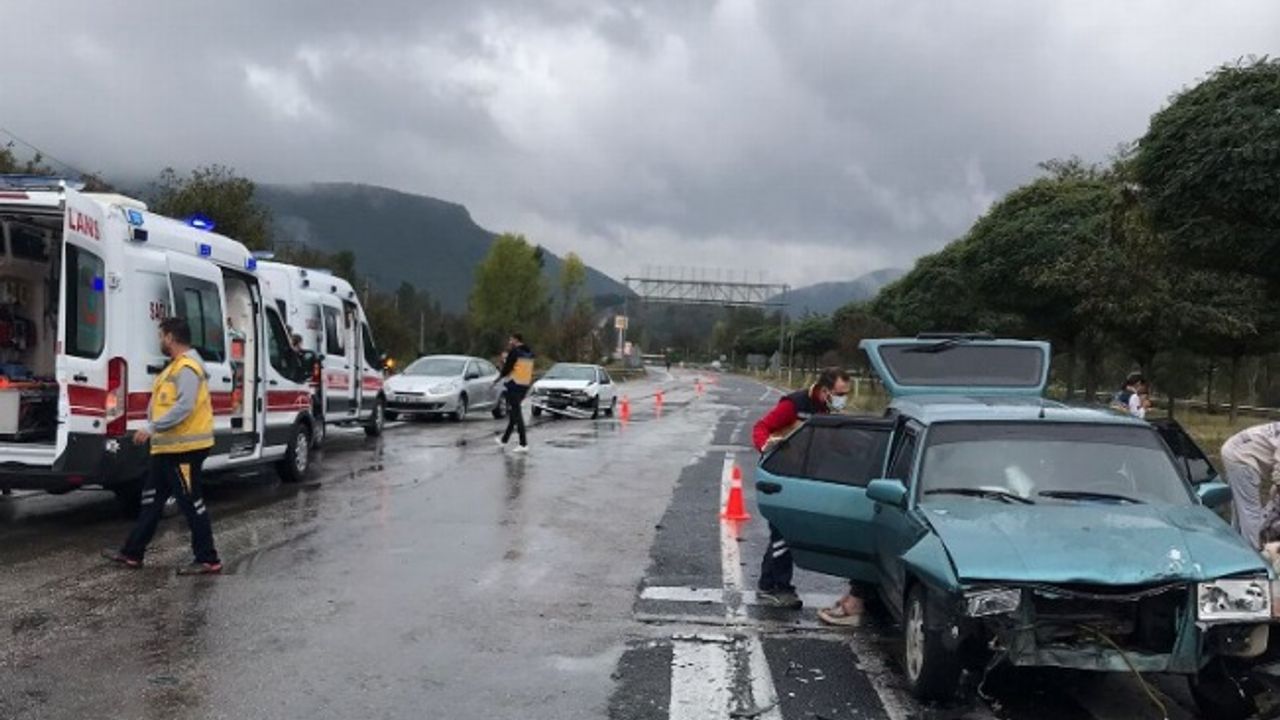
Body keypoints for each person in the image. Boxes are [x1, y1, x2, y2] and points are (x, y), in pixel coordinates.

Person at [102, 317, 222, 574]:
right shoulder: (175, 367)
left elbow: (184, 406)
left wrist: (152, 428)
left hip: (184, 451)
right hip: (167, 449)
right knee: (151, 501)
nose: (160, 340)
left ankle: (208, 558)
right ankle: (132, 553)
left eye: (161, 336)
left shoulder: (188, 368)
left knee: (191, 503)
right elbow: (162, 403)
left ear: (170, 337)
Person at [752, 367, 863, 625]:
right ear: (824, 390)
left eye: (846, 394)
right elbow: (761, 427)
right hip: (783, 476)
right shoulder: (794, 405)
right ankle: (775, 587)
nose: (842, 399)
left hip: (806, 478)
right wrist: (765, 445)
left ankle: (771, 585)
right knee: (783, 534)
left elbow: (835, 443)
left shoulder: (828, 410)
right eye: (839, 394)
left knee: (788, 534)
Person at [1221, 423, 1280, 551]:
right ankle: (1255, 557)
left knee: (1240, 510)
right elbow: (1278, 473)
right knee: (1250, 512)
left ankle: (1235, 549)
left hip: (1235, 450)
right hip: (1242, 458)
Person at [494, 333, 535, 453]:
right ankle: (504, 440)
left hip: (514, 385)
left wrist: (497, 379)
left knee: (517, 413)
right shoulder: (530, 353)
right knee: (514, 414)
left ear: (516, 340)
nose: (509, 342)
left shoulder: (515, 352)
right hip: (525, 385)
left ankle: (523, 444)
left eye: (511, 340)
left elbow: (507, 369)